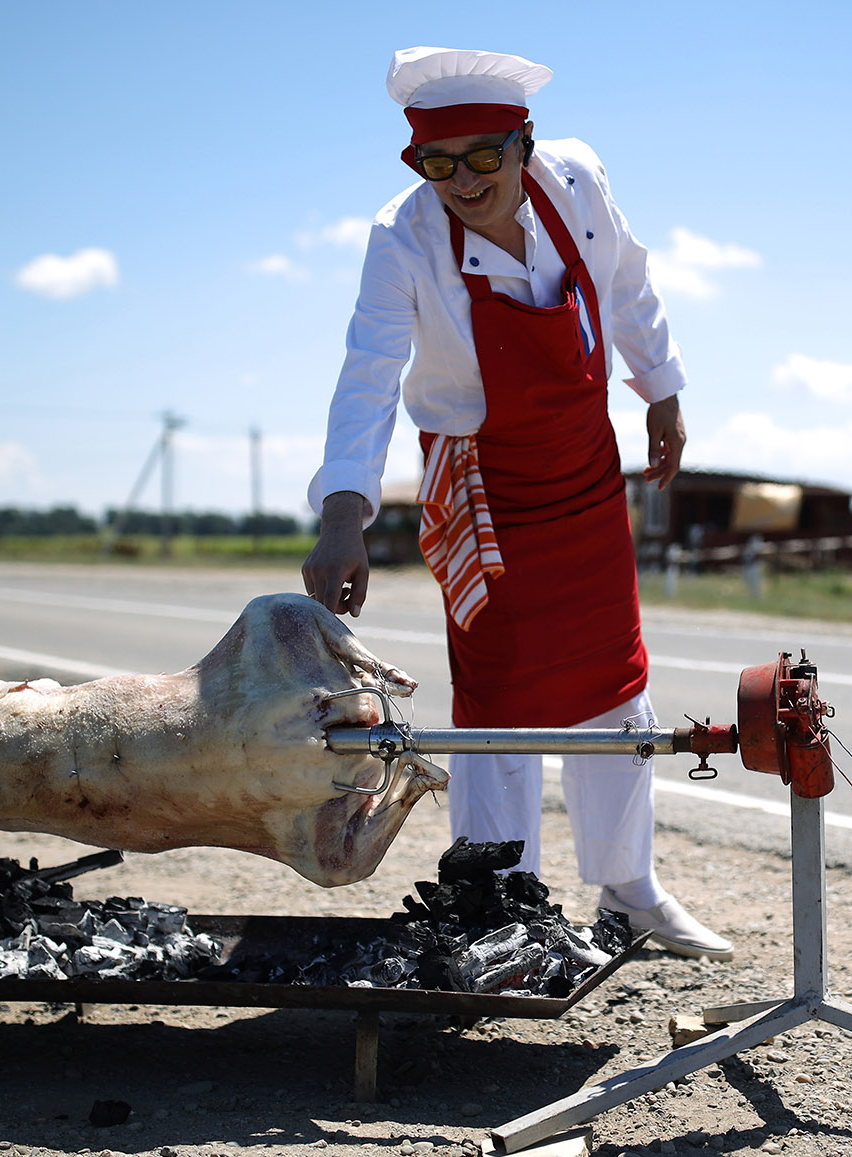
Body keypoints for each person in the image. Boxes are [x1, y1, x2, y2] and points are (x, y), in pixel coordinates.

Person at [301, 46, 730, 959]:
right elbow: (369, 374)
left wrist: (660, 389)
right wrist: (344, 515)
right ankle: (502, 908)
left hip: (579, 462)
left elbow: (627, 282)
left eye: (484, 158)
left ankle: (630, 891)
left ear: (524, 144)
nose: (462, 181)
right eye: (437, 163)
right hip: (478, 476)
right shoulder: (403, 236)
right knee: (499, 696)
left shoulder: (577, 181)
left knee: (615, 680)